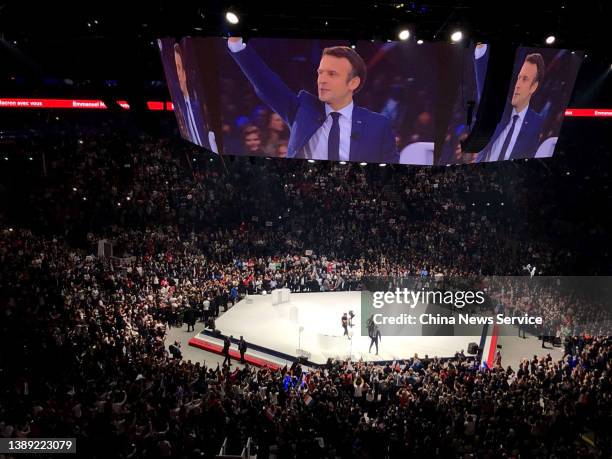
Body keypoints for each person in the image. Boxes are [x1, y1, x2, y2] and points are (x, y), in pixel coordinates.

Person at [227, 37, 397, 163]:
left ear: (353, 82)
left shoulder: (379, 126)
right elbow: (266, 84)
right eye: (320, 72)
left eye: (332, 74)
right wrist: (237, 45)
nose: (321, 80)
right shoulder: (302, 110)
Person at [476, 51, 545, 162]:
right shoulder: (501, 108)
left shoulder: (536, 123)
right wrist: (480, 48)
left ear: (534, 87)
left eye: (525, 79)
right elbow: (485, 87)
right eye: (519, 77)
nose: (517, 85)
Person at [172, 42, 218, 153]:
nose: (177, 73)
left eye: (179, 68)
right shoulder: (181, 108)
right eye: (175, 68)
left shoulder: (199, 106)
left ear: (185, 73)